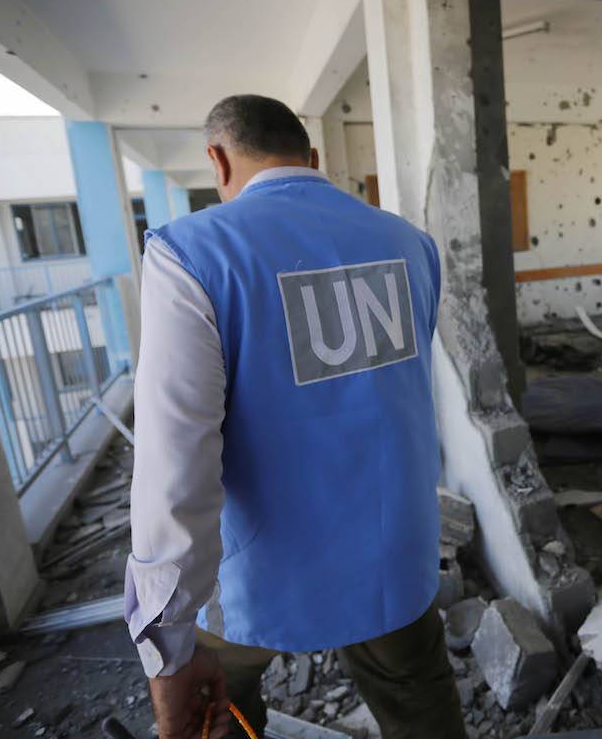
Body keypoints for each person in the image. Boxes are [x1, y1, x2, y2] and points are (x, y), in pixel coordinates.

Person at [124, 94, 464, 739]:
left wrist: (164, 643)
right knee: (419, 702)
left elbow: (175, 458)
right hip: (393, 555)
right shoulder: (409, 243)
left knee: (218, 713)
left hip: (256, 575)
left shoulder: (191, 251)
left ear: (217, 160)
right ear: (313, 159)